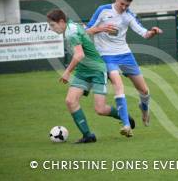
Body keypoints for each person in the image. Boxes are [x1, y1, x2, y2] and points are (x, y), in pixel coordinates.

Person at [47, 9, 135, 143]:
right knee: (70, 101)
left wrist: (67, 72)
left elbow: (79, 55)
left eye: (53, 25)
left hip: (96, 70)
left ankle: (124, 118)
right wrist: (101, 28)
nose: (51, 29)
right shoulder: (73, 26)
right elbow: (87, 31)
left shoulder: (71, 32)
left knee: (100, 109)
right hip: (83, 71)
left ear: (61, 21)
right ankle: (88, 135)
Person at [86, 0, 162, 137]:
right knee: (118, 85)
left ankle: (144, 108)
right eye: (122, 4)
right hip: (106, 55)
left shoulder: (128, 16)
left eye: (127, 5)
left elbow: (144, 34)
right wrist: (101, 28)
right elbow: (87, 30)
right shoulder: (103, 10)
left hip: (125, 54)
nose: (124, 7)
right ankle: (126, 125)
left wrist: (152, 32)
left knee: (144, 91)